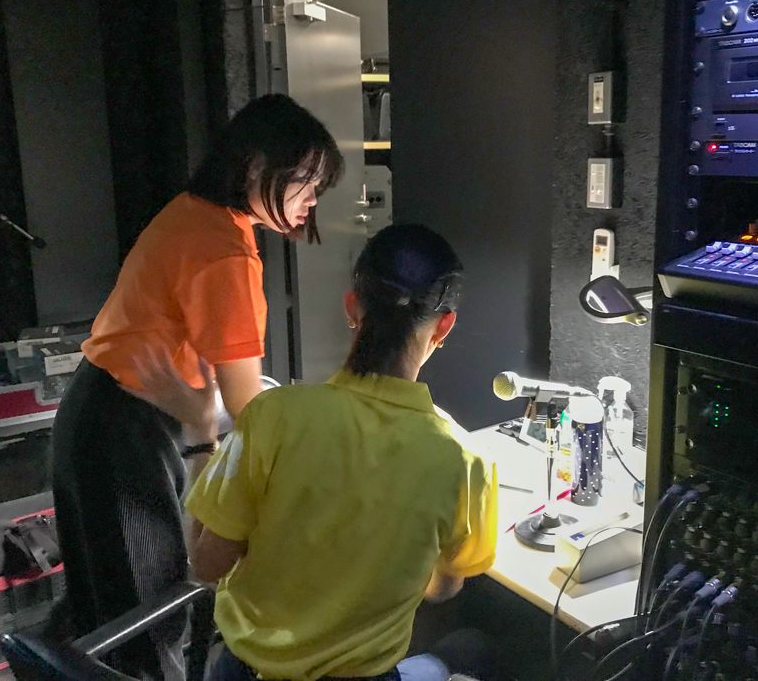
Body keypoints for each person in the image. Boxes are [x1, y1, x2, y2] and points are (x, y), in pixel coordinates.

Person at [51, 94, 344, 681]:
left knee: (107, 612)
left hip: (99, 409)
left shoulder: (200, 214)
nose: (313, 199)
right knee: (146, 623)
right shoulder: (224, 251)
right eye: (306, 181)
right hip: (125, 429)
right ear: (256, 167)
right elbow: (248, 409)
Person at [134, 224, 499, 681]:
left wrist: (202, 433)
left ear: (352, 307)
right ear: (444, 326)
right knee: (471, 648)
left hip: (246, 672)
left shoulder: (273, 416)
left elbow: (207, 565)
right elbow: (443, 589)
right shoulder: (465, 461)